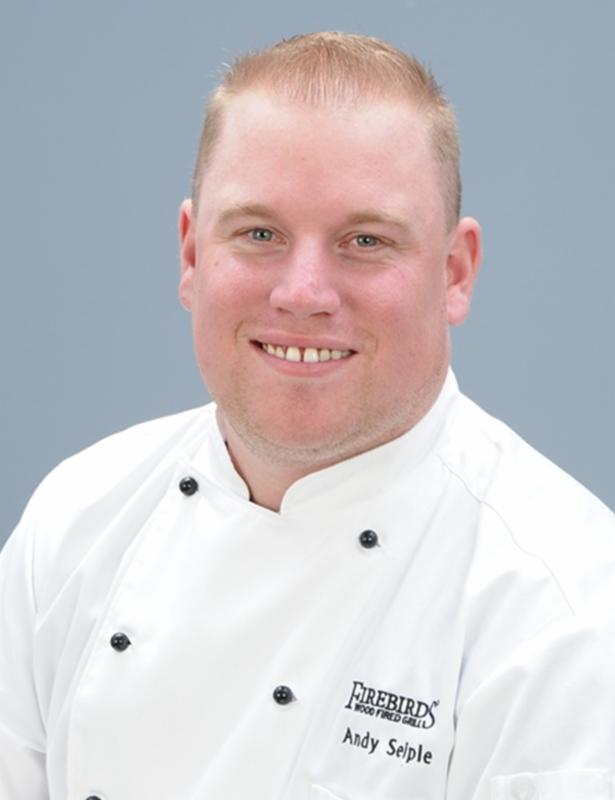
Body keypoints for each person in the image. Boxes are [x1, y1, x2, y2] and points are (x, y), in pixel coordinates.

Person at [1, 31, 614, 800]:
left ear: (454, 274)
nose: (302, 293)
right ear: (191, 255)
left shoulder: (563, 610)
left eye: (365, 240)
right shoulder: (76, 517)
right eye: (259, 234)